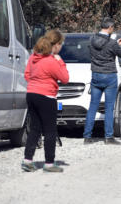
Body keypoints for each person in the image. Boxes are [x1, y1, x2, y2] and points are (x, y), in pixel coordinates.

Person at [21, 30, 69, 173]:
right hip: (46, 97)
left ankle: (27, 160)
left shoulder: (33, 57)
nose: (61, 47)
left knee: (35, 129)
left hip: (31, 94)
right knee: (50, 130)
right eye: (61, 44)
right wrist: (60, 61)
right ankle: (49, 163)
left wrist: (36, 83)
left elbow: (27, 75)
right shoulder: (51, 61)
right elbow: (65, 78)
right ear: (56, 45)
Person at [83, 17, 121, 145]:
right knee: (109, 108)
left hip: (96, 74)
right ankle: (108, 137)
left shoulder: (92, 39)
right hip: (109, 75)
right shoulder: (112, 42)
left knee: (93, 106)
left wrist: (116, 44)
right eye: (112, 28)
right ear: (109, 28)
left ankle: (87, 136)